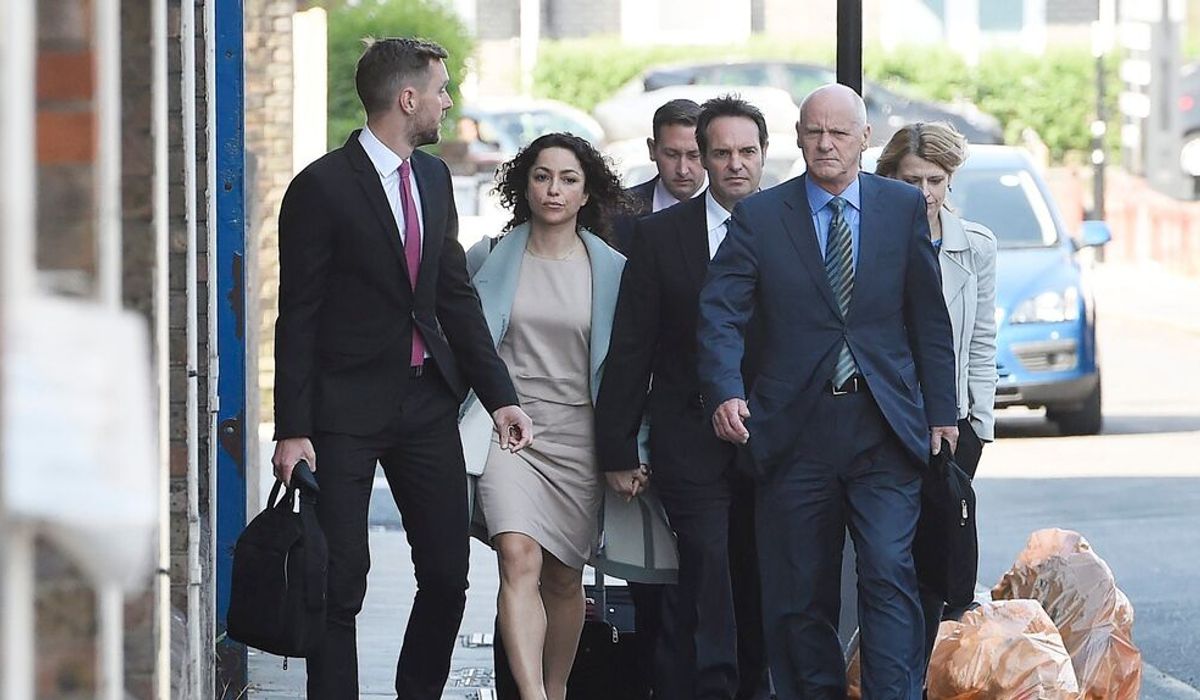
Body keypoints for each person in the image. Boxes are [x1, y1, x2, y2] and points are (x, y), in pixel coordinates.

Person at [270, 37, 533, 699]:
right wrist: (292, 429)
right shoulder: (321, 188)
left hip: (425, 404)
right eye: (441, 90)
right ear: (408, 98)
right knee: (341, 582)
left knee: (447, 575)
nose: (448, 102)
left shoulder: (434, 178)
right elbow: (297, 315)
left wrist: (500, 396)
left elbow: (454, 296)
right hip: (343, 411)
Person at [696, 83, 959, 700]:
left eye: (839, 133)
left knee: (888, 571)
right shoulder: (762, 216)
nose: (826, 144)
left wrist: (942, 411)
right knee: (799, 592)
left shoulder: (899, 206)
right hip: (794, 431)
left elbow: (927, 315)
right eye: (814, 132)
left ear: (865, 138)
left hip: (883, 425)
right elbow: (721, 312)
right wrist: (726, 391)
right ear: (797, 137)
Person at [460, 132, 676, 700]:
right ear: (524, 186)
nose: (553, 189)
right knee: (517, 556)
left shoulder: (615, 270)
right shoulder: (488, 257)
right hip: (509, 432)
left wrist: (634, 447)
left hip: (580, 437)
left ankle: (555, 689)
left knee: (562, 578)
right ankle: (531, 694)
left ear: (587, 193)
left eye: (568, 179)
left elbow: (635, 371)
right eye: (542, 176)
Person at [596, 95, 771, 700]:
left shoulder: (793, 227)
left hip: (775, 437)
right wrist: (618, 447)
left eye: (746, 152)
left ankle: (754, 685)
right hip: (688, 435)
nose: (735, 164)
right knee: (707, 566)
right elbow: (632, 346)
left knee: (760, 572)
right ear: (704, 157)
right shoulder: (659, 235)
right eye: (720, 153)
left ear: (764, 155)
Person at [875, 121, 998, 660]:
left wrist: (979, 425)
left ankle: (927, 670)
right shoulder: (871, 239)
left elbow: (982, 339)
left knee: (938, 558)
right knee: (889, 557)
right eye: (912, 180)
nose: (924, 192)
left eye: (935, 180)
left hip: (952, 425)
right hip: (886, 419)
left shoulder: (975, 246)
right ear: (889, 178)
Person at [611, 98, 706, 253]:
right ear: (652, 150)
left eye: (693, 155)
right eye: (671, 154)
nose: (682, 170)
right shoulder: (617, 212)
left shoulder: (735, 211)